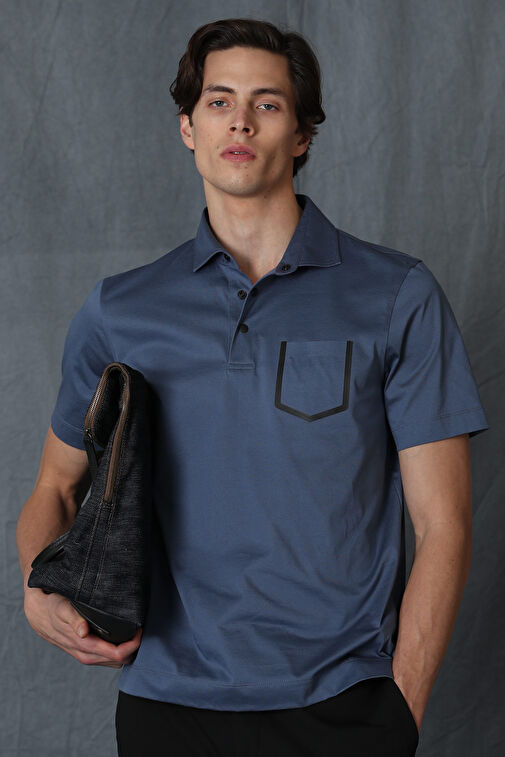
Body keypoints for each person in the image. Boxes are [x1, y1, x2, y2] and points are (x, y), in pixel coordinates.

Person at [17, 17, 490, 757]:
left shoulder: (396, 295)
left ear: (300, 134)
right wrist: (37, 587)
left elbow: (443, 524)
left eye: (267, 103)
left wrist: (401, 706)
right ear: (188, 128)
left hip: (344, 704)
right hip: (166, 704)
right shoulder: (121, 309)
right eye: (219, 101)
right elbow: (54, 484)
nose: (240, 120)